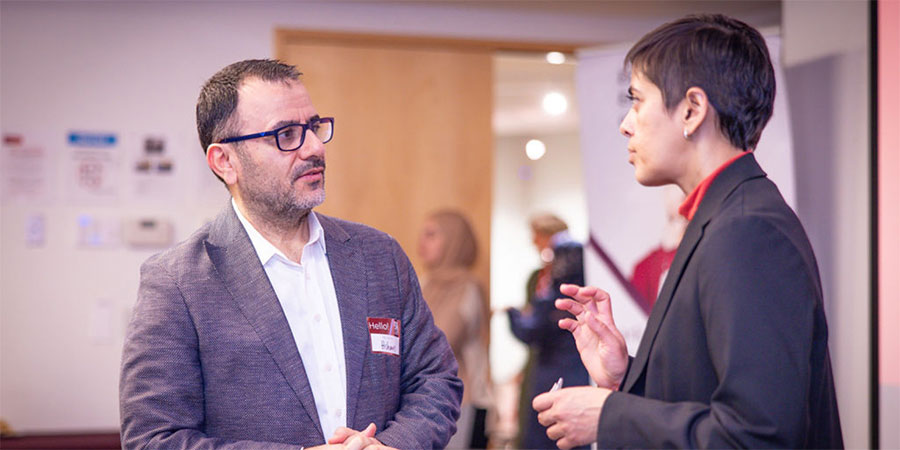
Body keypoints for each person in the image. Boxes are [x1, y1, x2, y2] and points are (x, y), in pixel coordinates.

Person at [532, 14, 844, 449]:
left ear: (692, 110)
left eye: (637, 101)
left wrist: (610, 416)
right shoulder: (725, 216)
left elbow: (758, 434)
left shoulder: (747, 230)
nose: (626, 124)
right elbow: (711, 395)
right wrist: (626, 376)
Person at [119, 59, 462, 449]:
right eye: (286, 134)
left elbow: (436, 380)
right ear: (225, 162)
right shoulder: (177, 282)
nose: (314, 148)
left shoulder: (379, 256)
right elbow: (154, 439)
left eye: (314, 127)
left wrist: (391, 445)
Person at [507, 214, 589, 450]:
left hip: (565, 364)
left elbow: (537, 325)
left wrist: (513, 314)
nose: (533, 242)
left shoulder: (568, 272)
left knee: (559, 430)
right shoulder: (540, 277)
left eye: (537, 236)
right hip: (545, 363)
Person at [418, 210, 493, 449]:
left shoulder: (468, 287)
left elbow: (441, 340)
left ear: (454, 240)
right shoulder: (424, 283)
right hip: (425, 400)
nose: (421, 242)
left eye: (432, 235)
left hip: (463, 400)